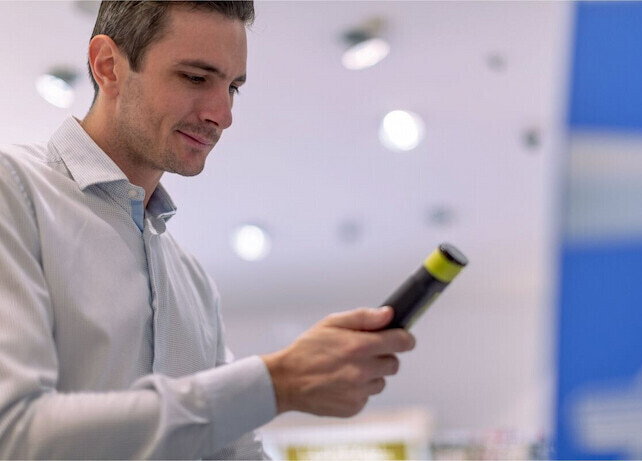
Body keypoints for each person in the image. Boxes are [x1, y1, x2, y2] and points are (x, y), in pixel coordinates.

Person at [0, 1, 415, 459]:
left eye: (233, 87)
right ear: (108, 66)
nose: (223, 113)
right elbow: (13, 434)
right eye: (196, 78)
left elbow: (232, 451)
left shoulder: (192, 283)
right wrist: (276, 383)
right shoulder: (13, 191)